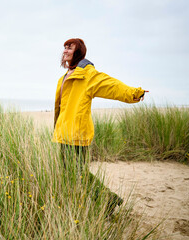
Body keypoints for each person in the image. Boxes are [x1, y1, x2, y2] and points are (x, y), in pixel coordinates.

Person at [52, 38, 148, 214]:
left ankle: (108, 201)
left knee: (77, 172)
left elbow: (111, 86)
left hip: (77, 133)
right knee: (69, 173)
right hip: (63, 132)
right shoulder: (64, 77)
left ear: (78, 52)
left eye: (70, 48)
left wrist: (134, 93)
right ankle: (80, 204)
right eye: (64, 47)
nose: (65, 50)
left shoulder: (88, 74)